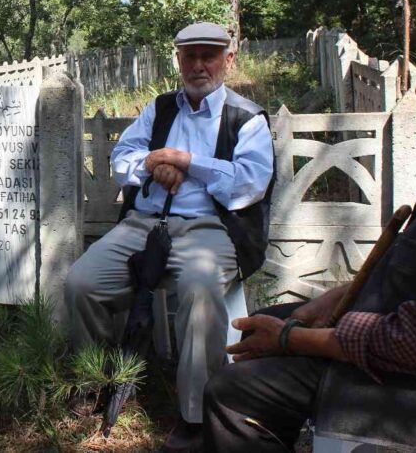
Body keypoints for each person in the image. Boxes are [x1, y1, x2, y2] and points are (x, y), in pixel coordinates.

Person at [203, 4, 416, 452]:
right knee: (256, 333)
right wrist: (337, 298)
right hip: (398, 340)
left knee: (232, 391)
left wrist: (294, 339)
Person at [64, 22, 275, 451]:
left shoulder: (246, 118)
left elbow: (249, 184)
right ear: (177, 59)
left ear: (227, 60)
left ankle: (195, 416)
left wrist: (186, 160)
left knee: (199, 291)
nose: (199, 65)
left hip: (209, 230)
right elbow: (124, 157)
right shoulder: (159, 109)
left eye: (209, 55)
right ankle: (98, 380)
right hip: (144, 225)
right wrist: (152, 164)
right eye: (190, 56)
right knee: (80, 283)